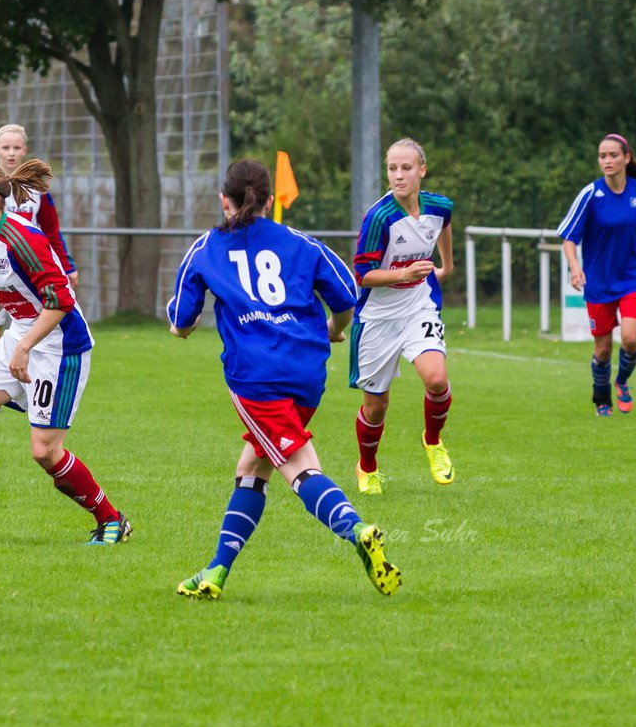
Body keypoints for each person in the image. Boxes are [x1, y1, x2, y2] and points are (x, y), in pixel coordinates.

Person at [167, 159, 400, 600]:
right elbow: (347, 295)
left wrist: (179, 328)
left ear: (224, 200)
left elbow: (182, 320)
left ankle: (357, 529)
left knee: (299, 467)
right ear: (269, 202)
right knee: (252, 469)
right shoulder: (301, 242)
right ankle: (215, 571)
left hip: (257, 381)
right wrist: (334, 330)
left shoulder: (207, 248)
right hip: (308, 373)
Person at [0, 159, 129, 544]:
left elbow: (61, 299)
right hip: (22, 336)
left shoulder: (23, 239)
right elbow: (2, 285)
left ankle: (111, 520)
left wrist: (25, 346)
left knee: (45, 452)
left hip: (59, 347)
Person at [349, 138, 454, 495]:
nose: (398, 175)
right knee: (376, 406)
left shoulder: (437, 206)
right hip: (378, 317)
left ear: (421, 170)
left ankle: (433, 441)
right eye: (392, 168)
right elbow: (361, 275)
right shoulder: (379, 218)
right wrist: (401, 275)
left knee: (437, 380)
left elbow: (445, 223)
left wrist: (447, 265)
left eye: (406, 168)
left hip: (419, 306)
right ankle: (367, 466)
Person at [558, 133, 636, 416]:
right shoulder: (590, 195)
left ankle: (622, 381)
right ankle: (601, 397)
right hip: (598, 281)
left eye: (613, 155)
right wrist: (575, 267)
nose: (607, 161)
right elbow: (569, 238)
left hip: (634, 278)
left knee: (630, 339)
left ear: (626, 158)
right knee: (604, 350)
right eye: (603, 156)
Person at [0, 124, 77, 353]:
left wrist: (68, 267)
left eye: (16, 147)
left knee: (34, 326)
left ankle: (29, 376)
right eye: (6, 147)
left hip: (30, 270)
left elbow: (51, 232)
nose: (11, 153)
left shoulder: (36, 190)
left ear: (24, 150)